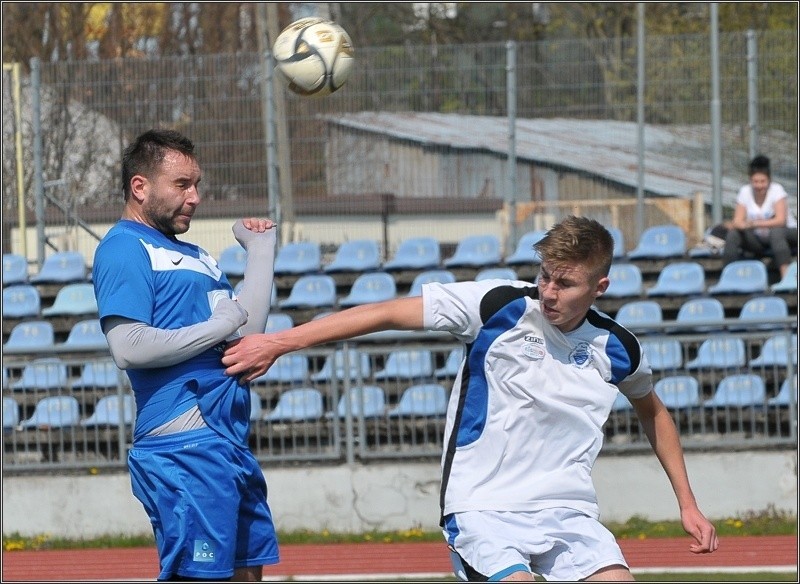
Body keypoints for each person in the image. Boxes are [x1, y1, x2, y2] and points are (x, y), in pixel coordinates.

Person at [221, 215, 719, 581]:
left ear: (599, 286)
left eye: (565, 283)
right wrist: (280, 342)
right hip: (484, 508)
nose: (549, 291)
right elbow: (387, 312)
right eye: (546, 275)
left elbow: (654, 413)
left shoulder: (619, 348)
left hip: (569, 512)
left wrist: (688, 504)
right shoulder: (498, 305)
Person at [92, 128, 280, 581]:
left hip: (227, 438)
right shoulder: (123, 248)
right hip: (184, 443)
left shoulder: (196, 254)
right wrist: (216, 326)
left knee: (246, 572)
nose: (194, 197)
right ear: (140, 187)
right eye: (182, 185)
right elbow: (128, 347)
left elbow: (246, 329)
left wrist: (260, 251)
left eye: (196, 184)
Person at [722, 154, 798, 278]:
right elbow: (737, 221)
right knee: (733, 235)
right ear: (750, 180)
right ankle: (728, 275)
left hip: (786, 236)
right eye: (755, 182)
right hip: (759, 240)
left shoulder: (777, 190)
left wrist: (754, 223)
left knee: (776, 232)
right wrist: (741, 225)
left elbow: (780, 220)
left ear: (769, 180)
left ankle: (786, 277)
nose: (759, 186)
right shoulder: (745, 192)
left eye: (762, 181)